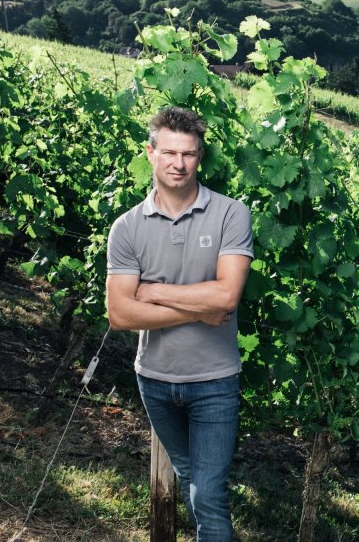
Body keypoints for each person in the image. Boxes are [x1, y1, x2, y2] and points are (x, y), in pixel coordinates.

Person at [106, 107, 253, 541]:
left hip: (214, 380)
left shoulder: (230, 214)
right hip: (154, 380)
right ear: (151, 153)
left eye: (188, 154)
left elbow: (226, 297)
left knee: (208, 493)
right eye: (169, 152)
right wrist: (199, 308)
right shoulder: (127, 227)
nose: (178, 163)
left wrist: (153, 291)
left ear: (200, 157)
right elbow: (120, 315)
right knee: (191, 478)